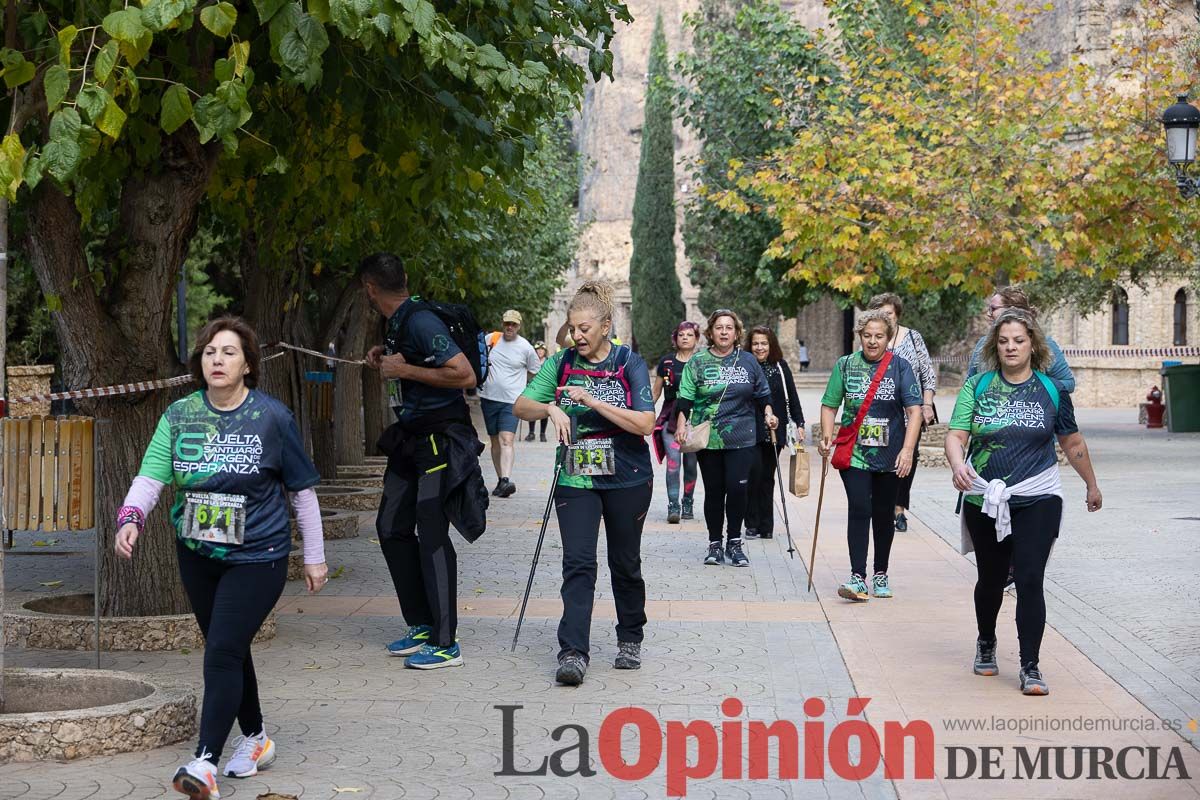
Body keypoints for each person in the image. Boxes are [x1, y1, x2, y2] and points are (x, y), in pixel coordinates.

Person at [114, 317, 327, 800]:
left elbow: (302, 493)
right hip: (197, 552)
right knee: (227, 648)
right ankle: (255, 739)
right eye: (210, 351)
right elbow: (151, 476)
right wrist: (131, 518)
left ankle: (204, 761)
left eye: (229, 352)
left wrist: (313, 556)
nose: (217, 359)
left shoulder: (273, 418)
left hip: (259, 555)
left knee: (221, 651)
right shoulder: (180, 415)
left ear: (248, 364)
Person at [946, 309, 1102, 696]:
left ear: (1033, 344)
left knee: (1031, 578)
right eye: (1003, 341)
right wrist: (955, 464)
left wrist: (1091, 486)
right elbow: (956, 434)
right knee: (993, 579)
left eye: (1018, 340)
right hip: (985, 494)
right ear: (995, 347)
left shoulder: (1052, 390)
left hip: (1039, 494)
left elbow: (1072, 442)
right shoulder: (978, 386)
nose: (1010, 347)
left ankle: (1030, 665)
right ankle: (986, 640)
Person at [514, 280, 656, 686]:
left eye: (584, 329)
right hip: (576, 477)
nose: (576, 336)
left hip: (627, 476)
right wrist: (549, 408)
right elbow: (520, 406)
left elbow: (645, 422)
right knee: (578, 562)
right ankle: (573, 651)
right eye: (572, 328)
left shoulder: (629, 363)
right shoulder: (560, 363)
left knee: (624, 562)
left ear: (606, 325)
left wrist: (592, 401)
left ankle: (630, 636)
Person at [360, 253, 484, 671]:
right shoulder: (399, 322)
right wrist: (387, 356)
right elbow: (409, 361)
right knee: (390, 526)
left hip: (440, 440)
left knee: (431, 533)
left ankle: (447, 643)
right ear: (404, 279)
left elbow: (464, 375)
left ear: (369, 289)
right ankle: (422, 625)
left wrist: (406, 370)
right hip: (410, 439)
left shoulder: (420, 321)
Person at [817, 310, 922, 602]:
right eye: (867, 336)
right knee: (860, 508)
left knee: (883, 513)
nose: (873, 341)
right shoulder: (846, 365)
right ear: (859, 336)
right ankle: (857, 576)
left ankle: (881, 572)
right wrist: (827, 437)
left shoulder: (901, 367)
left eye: (879, 336)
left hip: (891, 454)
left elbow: (914, 411)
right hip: (855, 454)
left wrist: (908, 450)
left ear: (888, 338)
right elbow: (829, 405)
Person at [676, 310, 777, 567]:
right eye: (719, 328)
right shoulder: (697, 362)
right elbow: (685, 396)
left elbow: (762, 393)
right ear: (711, 332)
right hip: (709, 438)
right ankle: (714, 543)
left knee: (737, 488)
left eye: (729, 328)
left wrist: (768, 414)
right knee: (714, 491)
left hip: (742, 436)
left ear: (736, 333)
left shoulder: (748, 361)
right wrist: (680, 424)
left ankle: (734, 542)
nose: (724, 332)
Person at [866, 293, 937, 533]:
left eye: (888, 313)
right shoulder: (872, 340)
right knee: (878, 458)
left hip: (910, 414)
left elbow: (927, 374)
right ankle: (880, 504)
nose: (884, 318)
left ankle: (899, 508)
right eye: (879, 314)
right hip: (878, 414)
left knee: (908, 459)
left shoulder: (913, 338)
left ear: (896, 315)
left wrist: (926, 404)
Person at [744, 326, 804, 540]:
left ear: (771, 346)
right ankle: (751, 522)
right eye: (755, 343)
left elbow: (792, 397)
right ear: (749, 346)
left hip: (774, 430)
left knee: (767, 477)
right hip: (749, 429)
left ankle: (766, 525)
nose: (760, 347)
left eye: (764, 343)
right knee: (753, 475)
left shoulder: (780, 367)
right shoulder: (744, 367)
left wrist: (800, 423)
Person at [480, 310, 541, 497]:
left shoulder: (526, 348)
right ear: (502, 323)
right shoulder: (491, 339)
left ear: (519, 326)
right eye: (507, 323)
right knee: (494, 441)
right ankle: (500, 480)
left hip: (511, 402)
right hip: (488, 397)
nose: (509, 327)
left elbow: (535, 372)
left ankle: (506, 479)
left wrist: (525, 391)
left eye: (513, 324)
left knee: (506, 439)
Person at [966, 285, 1075, 391]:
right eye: (1002, 341)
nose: (989, 314)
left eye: (993, 309)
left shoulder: (1045, 345)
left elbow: (1068, 383)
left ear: (1012, 310)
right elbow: (969, 383)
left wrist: (1034, 388)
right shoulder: (982, 344)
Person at [651, 321, 700, 523]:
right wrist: (642, 413)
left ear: (696, 339)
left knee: (690, 464)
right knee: (673, 463)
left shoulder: (701, 362)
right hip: (670, 417)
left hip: (694, 419)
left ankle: (687, 501)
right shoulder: (667, 363)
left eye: (690, 334)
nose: (685, 338)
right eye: (681, 334)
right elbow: (655, 392)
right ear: (675, 339)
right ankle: (673, 505)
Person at [525, 341, 550, 442]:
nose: (540, 352)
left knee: (544, 411)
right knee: (532, 411)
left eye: (542, 350)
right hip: (533, 389)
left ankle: (542, 434)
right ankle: (531, 433)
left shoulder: (549, 362)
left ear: (545, 351)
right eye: (538, 350)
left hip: (545, 390)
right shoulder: (532, 361)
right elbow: (527, 374)